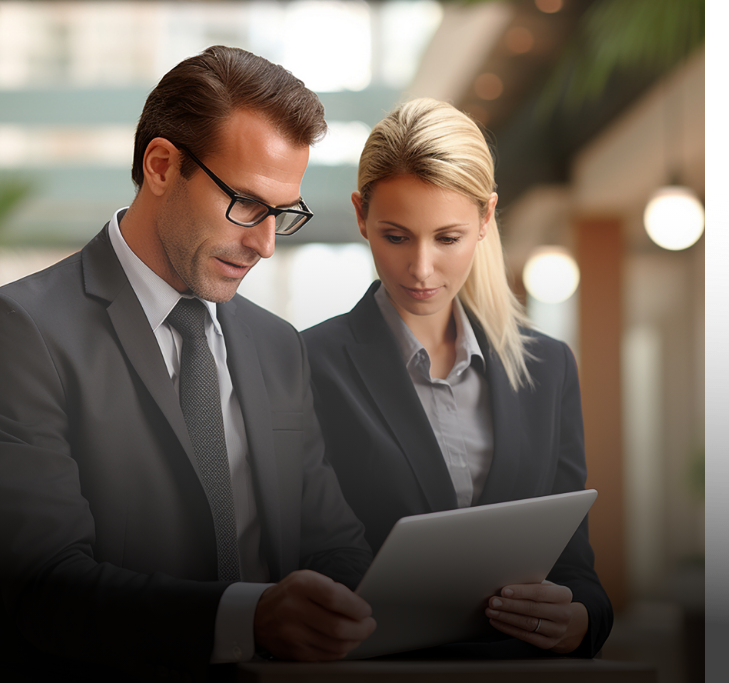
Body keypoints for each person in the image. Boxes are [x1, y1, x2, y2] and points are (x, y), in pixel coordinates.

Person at [0, 46, 376, 681]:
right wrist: (248, 618)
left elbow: (334, 542)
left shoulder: (279, 346)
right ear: (162, 165)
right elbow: (41, 583)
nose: (263, 244)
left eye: (282, 215)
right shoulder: (25, 331)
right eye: (247, 204)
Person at [302, 98, 613, 659]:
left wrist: (581, 619)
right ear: (360, 215)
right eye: (396, 236)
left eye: (448, 238)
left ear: (486, 219)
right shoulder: (306, 364)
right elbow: (300, 550)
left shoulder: (547, 368)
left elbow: (574, 564)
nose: (421, 270)